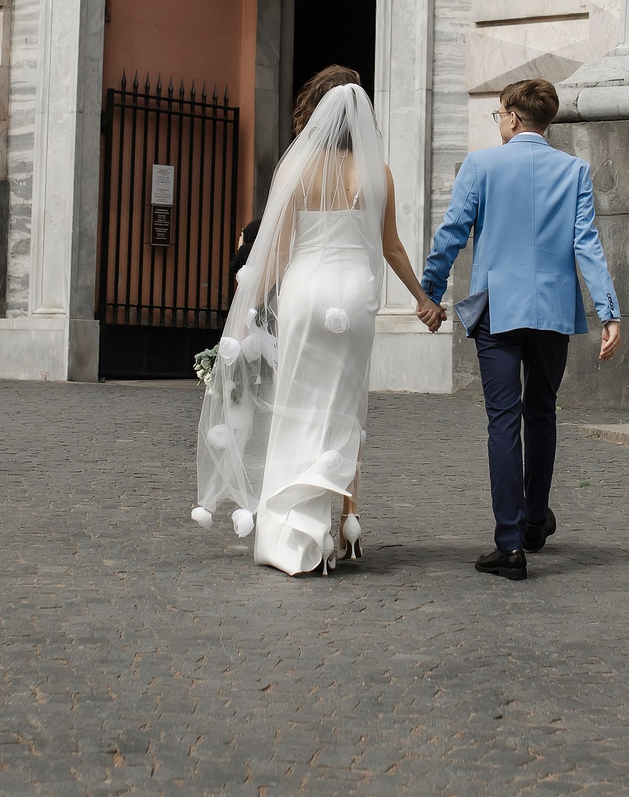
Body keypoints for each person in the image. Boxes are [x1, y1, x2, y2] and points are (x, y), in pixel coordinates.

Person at [190, 66, 446, 576]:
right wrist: (423, 299)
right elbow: (391, 246)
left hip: (306, 296)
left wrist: (240, 321)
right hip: (354, 300)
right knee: (344, 409)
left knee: (297, 408)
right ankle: (348, 523)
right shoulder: (379, 172)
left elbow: (279, 251)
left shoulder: (297, 169)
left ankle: (300, 532)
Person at [419, 77, 622, 581]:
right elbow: (587, 245)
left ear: (511, 117)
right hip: (553, 312)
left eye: (499, 116)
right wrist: (609, 312)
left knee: (504, 421)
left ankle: (510, 544)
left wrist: (430, 291)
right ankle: (535, 519)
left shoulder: (482, 164)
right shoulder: (574, 170)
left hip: (499, 312)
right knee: (542, 415)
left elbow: (451, 233)